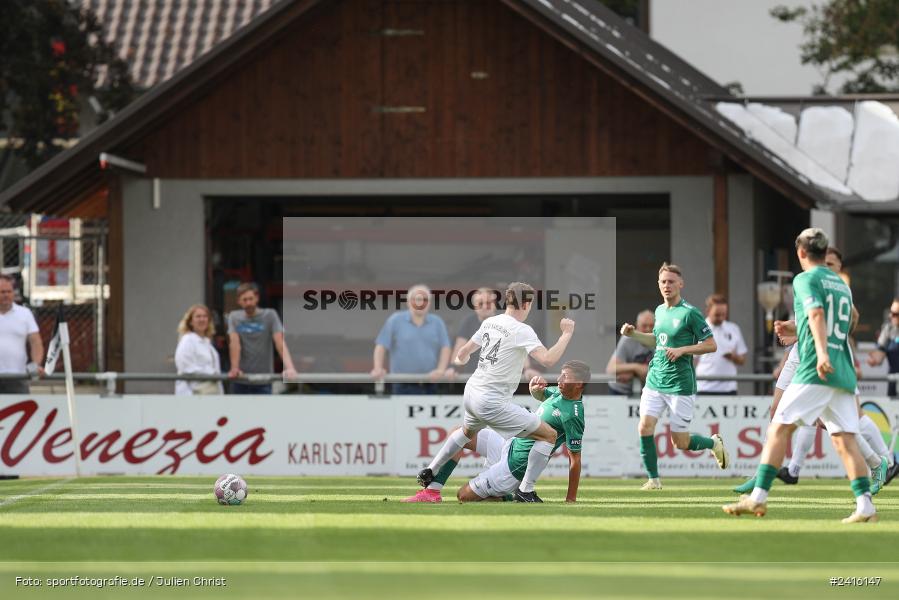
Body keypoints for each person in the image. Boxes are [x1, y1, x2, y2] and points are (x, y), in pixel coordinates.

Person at [723, 229, 878, 523]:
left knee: (779, 428)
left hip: (815, 370)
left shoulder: (805, 278)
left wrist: (821, 353)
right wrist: (803, 331)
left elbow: (817, 314)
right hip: (843, 371)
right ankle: (865, 505)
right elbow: (852, 319)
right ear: (823, 251)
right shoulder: (841, 284)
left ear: (801, 252)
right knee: (845, 441)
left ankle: (757, 497)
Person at [745, 246, 895, 494]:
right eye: (823, 262)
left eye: (832, 264)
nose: (826, 267)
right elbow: (810, 319)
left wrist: (823, 344)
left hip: (825, 358)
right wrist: (795, 330)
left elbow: (839, 319)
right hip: (801, 355)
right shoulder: (810, 283)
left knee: (838, 424)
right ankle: (770, 478)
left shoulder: (835, 288)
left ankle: (762, 486)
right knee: (785, 415)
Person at [414, 282, 575, 503]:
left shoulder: (491, 321)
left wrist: (461, 360)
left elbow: (463, 352)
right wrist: (566, 334)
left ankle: (431, 474)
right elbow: (548, 360)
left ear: (507, 301)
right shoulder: (522, 330)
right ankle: (525, 490)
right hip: (491, 400)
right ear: (526, 304)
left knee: (464, 433)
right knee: (548, 435)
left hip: (472, 392)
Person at [403, 360, 589, 503]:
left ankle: (507, 495)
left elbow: (575, 459)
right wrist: (535, 389)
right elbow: (542, 395)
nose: (559, 380)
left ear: (579, 383)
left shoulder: (573, 414)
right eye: (561, 375)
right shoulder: (559, 391)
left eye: (566, 377)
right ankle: (432, 491)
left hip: (515, 467)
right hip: (508, 445)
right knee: (458, 432)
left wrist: (570, 499)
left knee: (463, 495)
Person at [620, 263, 728, 490]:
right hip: (655, 380)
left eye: (671, 281)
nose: (667, 285)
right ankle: (653, 480)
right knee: (644, 427)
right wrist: (634, 334)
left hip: (680, 384)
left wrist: (683, 350)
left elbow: (711, 345)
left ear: (681, 284)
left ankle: (712, 443)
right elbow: (656, 341)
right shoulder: (659, 311)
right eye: (663, 282)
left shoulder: (690, 313)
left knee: (680, 442)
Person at [446, 287, 541, 382]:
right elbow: (460, 347)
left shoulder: (506, 320)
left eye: (488, 303)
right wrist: (453, 367)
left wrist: (527, 369)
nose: (484, 306)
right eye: (480, 303)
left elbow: (518, 346)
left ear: (494, 304)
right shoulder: (468, 322)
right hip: (474, 379)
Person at [371, 284, 451, 394]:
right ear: (408, 302)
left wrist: (441, 370)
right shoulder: (395, 320)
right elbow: (381, 346)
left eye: (425, 300)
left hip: (430, 385)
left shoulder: (437, 322)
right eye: (417, 299)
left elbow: (445, 348)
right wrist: (378, 368)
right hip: (401, 385)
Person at [227, 282, 297, 394]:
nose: (248, 303)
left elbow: (279, 342)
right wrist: (234, 368)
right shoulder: (234, 317)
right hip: (241, 379)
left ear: (257, 298)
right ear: (238, 301)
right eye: (244, 300)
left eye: (251, 298)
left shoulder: (270, 315)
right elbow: (235, 344)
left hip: (264, 380)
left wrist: (289, 367)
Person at [695, 294, 747, 395]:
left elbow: (743, 360)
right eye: (717, 315)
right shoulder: (698, 329)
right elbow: (690, 360)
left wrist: (734, 357)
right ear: (708, 311)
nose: (721, 318)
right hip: (704, 388)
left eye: (724, 314)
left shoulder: (734, 329)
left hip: (729, 388)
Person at [0, 275, 43, 394]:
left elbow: (35, 342)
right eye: (2, 292)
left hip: (18, 376)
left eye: (9, 291)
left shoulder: (25, 314)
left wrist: (36, 364)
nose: (6, 295)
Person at [175, 304, 223, 395]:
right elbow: (186, 368)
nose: (202, 319)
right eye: (198, 316)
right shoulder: (187, 340)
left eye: (205, 316)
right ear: (190, 322)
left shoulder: (207, 343)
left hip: (210, 393)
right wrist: (212, 374)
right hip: (192, 393)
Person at [606, 309, 654, 396]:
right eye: (644, 325)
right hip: (619, 390)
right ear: (637, 326)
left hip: (646, 391)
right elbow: (611, 369)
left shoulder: (659, 340)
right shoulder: (627, 339)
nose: (648, 329)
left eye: (651, 326)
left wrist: (632, 371)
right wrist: (636, 368)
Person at [866, 297, 899, 398]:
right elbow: (880, 353)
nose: (890, 316)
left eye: (895, 314)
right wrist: (874, 360)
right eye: (891, 312)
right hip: (893, 382)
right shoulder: (888, 329)